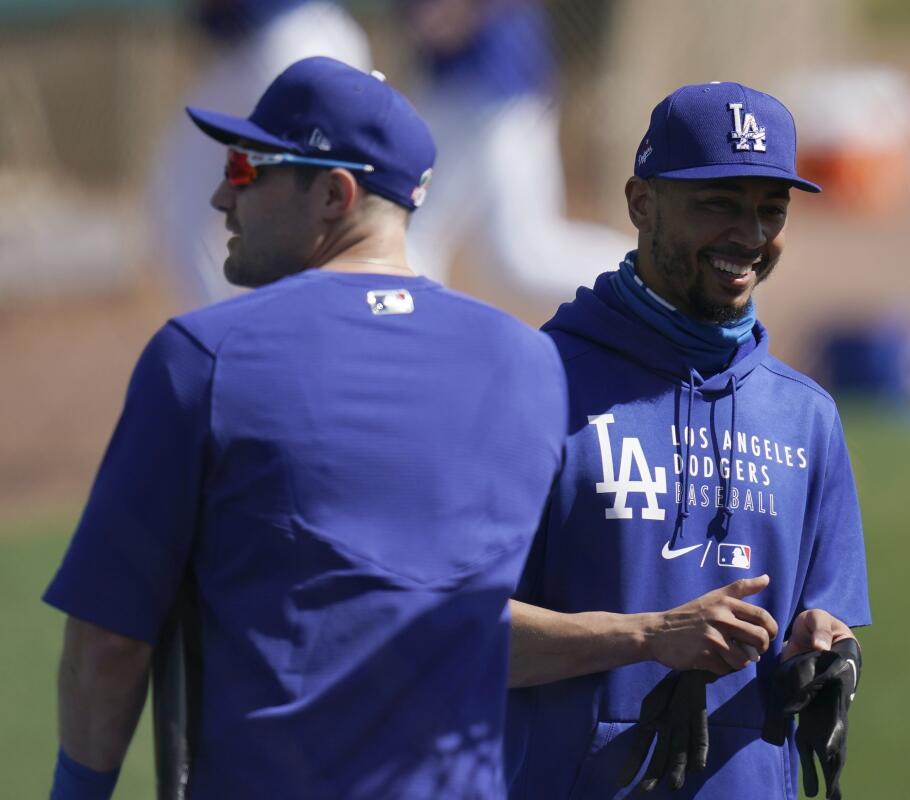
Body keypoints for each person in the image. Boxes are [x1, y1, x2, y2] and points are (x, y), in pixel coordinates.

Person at [45, 57, 567, 799]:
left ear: (333, 193)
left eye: (247, 167)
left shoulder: (204, 357)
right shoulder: (533, 365)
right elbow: (481, 619)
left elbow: (107, 643)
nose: (223, 194)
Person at [505, 82, 871, 799]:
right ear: (642, 203)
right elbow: (460, 633)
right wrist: (646, 637)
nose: (750, 235)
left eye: (772, 210)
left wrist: (827, 650)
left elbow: (820, 614)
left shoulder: (807, 417)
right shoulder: (536, 386)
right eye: (719, 204)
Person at [398, 0, 634, 305]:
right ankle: (646, 278)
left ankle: (651, 280)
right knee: (518, 260)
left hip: (489, 95)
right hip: (474, 91)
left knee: (417, 235)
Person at [150, 0, 371, 305]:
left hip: (284, 46)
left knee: (304, 219)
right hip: (309, 38)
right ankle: (247, 338)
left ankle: (265, 340)